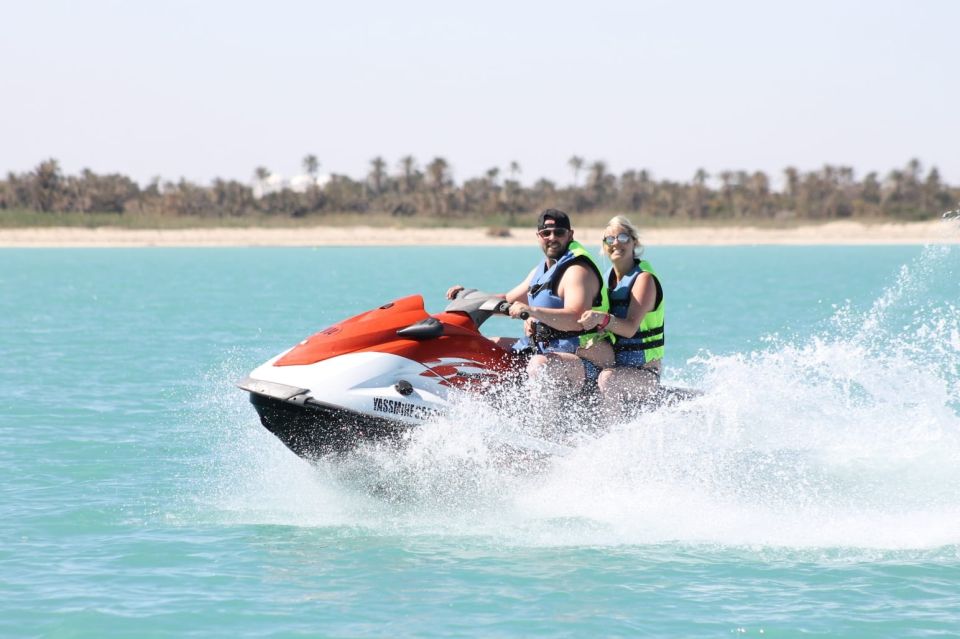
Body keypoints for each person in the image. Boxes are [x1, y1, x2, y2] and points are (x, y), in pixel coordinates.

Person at [446, 209, 612, 395]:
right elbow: (507, 301)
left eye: (559, 232)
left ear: (570, 234)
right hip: (542, 348)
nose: (552, 237)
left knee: (539, 365)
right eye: (546, 233)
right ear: (538, 236)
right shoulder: (541, 270)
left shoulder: (577, 271)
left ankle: (541, 425)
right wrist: (467, 297)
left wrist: (532, 312)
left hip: (583, 358)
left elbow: (576, 319)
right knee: (482, 347)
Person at [578, 215, 664, 410]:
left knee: (609, 380)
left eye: (623, 237)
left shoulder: (644, 280)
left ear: (635, 242)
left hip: (645, 373)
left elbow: (630, 328)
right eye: (610, 239)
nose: (616, 243)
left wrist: (601, 319)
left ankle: (611, 437)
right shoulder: (605, 280)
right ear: (604, 246)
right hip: (615, 363)